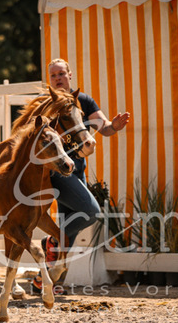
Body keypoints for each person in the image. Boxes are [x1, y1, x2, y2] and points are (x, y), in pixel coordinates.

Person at [32, 58, 130, 293]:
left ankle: (44, 282)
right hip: (55, 173)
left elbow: (104, 127)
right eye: (53, 75)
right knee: (90, 212)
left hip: (77, 170)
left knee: (70, 227)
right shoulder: (46, 104)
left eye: (61, 74)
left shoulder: (83, 100)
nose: (58, 78)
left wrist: (114, 126)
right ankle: (52, 240)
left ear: (70, 75)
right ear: (49, 79)